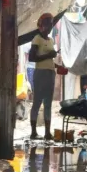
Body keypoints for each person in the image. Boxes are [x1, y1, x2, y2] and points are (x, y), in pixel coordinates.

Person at [28, 13, 58, 141]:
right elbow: (32, 58)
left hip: (50, 73)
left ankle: (47, 133)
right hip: (40, 74)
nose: (50, 27)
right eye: (47, 24)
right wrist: (49, 55)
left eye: (51, 24)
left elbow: (48, 60)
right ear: (42, 25)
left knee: (48, 104)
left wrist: (57, 66)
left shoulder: (51, 40)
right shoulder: (37, 39)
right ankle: (33, 132)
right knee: (36, 103)